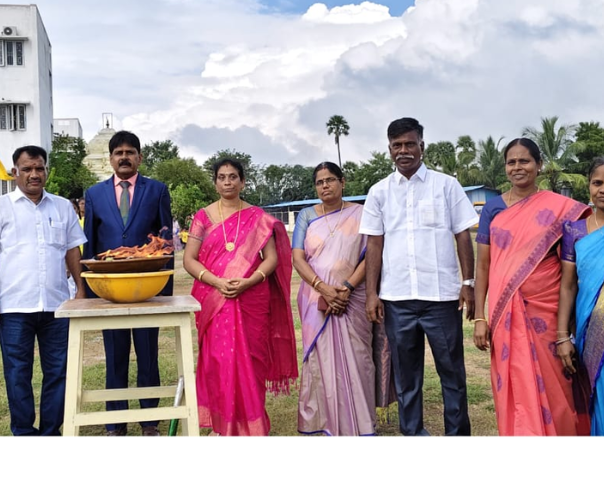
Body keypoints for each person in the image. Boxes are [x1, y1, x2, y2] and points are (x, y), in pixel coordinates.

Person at [360, 117, 477, 436]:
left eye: (410, 144)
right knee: (406, 378)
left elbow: (462, 235)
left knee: (452, 375)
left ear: (422, 146)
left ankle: (457, 437)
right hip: (397, 300)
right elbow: (374, 243)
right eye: (396, 145)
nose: (403, 150)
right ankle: (413, 435)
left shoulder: (446, 186)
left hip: (441, 299)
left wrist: (468, 283)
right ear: (389, 150)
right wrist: (371, 294)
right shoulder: (379, 192)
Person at [474, 137, 590, 436]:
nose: (517, 167)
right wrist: (479, 317)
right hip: (505, 311)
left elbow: (571, 267)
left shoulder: (559, 208)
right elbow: (483, 265)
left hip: (547, 309)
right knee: (514, 378)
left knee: (555, 380)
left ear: (539, 165)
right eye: (511, 162)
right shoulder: (492, 209)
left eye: (524, 161)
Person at [0, 146, 86, 436]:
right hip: (14, 306)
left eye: (39, 168)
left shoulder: (62, 207)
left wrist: (81, 290)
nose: (34, 174)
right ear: (15, 172)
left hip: (56, 305)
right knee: (17, 373)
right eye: (27, 169)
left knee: (58, 371)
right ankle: (24, 432)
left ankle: (50, 433)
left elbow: (72, 250)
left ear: (46, 170)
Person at [183, 158, 298, 436]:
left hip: (251, 299)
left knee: (252, 362)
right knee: (219, 362)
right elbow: (189, 259)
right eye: (222, 177)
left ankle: (252, 426)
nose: (227, 182)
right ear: (215, 183)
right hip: (215, 299)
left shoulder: (257, 217)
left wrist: (249, 281)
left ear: (243, 182)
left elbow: (271, 258)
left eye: (233, 177)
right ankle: (223, 425)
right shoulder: (203, 217)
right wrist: (216, 281)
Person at [293, 162, 394, 436]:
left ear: (342, 182)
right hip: (315, 298)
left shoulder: (361, 213)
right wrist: (323, 288)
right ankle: (324, 420)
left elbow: (372, 254)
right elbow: (298, 258)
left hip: (354, 298)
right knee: (321, 360)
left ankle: (361, 422)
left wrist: (347, 287)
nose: (325, 186)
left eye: (330, 180)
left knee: (359, 358)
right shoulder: (306, 216)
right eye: (319, 182)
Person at [83, 130, 173, 437]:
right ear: (110, 159)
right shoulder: (94, 194)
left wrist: (164, 291)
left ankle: (150, 422)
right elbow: (90, 244)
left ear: (139, 157)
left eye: (129, 152)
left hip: (147, 290)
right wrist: (91, 292)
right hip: (110, 291)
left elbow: (166, 241)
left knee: (148, 356)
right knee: (115, 357)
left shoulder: (157, 190)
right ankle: (115, 423)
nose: (124, 157)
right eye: (118, 153)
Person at [557, 157, 604, 435]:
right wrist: (563, 336)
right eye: (597, 183)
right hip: (592, 333)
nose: (602, 189)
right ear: (588, 186)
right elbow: (568, 286)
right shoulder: (574, 230)